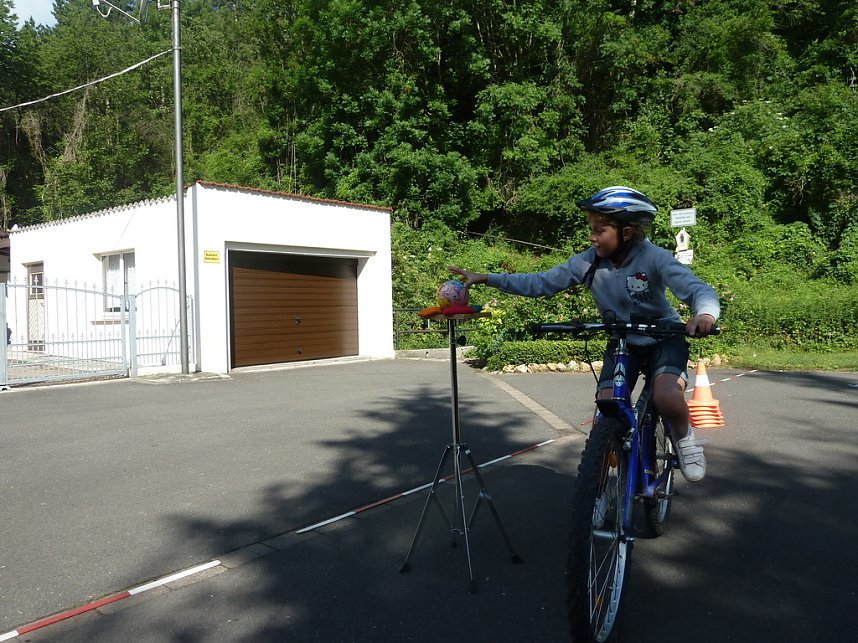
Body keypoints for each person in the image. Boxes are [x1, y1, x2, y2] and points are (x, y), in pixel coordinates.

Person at [448, 186, 719, 481]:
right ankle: (596, 490)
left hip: (664, 339)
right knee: (606, 406)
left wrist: (704, 314)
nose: (592, 237)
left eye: (600, 230)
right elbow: (541, 282)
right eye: (591, 229)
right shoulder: (587, 262)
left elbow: (697, 289)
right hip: (623, 341)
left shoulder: (654, 258)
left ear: (626, 233)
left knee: (666, 397)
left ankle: (685, 440)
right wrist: (488, 278)